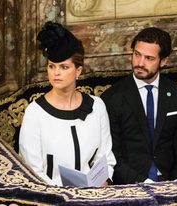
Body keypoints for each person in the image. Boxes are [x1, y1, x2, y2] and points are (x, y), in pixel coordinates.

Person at [19, 21, 116, 186]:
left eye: (64, 67)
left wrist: (102, 184)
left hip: (95, 196)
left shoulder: (97, 106)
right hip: (52, 198)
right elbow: (32, 171)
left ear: (78, 71)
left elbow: (106, 158)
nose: (56, 73)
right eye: (51, 66)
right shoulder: (35, 113)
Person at [101, 27, 177, 184]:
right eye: (137, 54)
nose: (140, 63)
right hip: (131, 184)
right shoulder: (112, 98)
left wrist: (175, 184)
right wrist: (143, 183)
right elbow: (112, 156)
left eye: (149, 58)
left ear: (163, 61)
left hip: (171, 182)